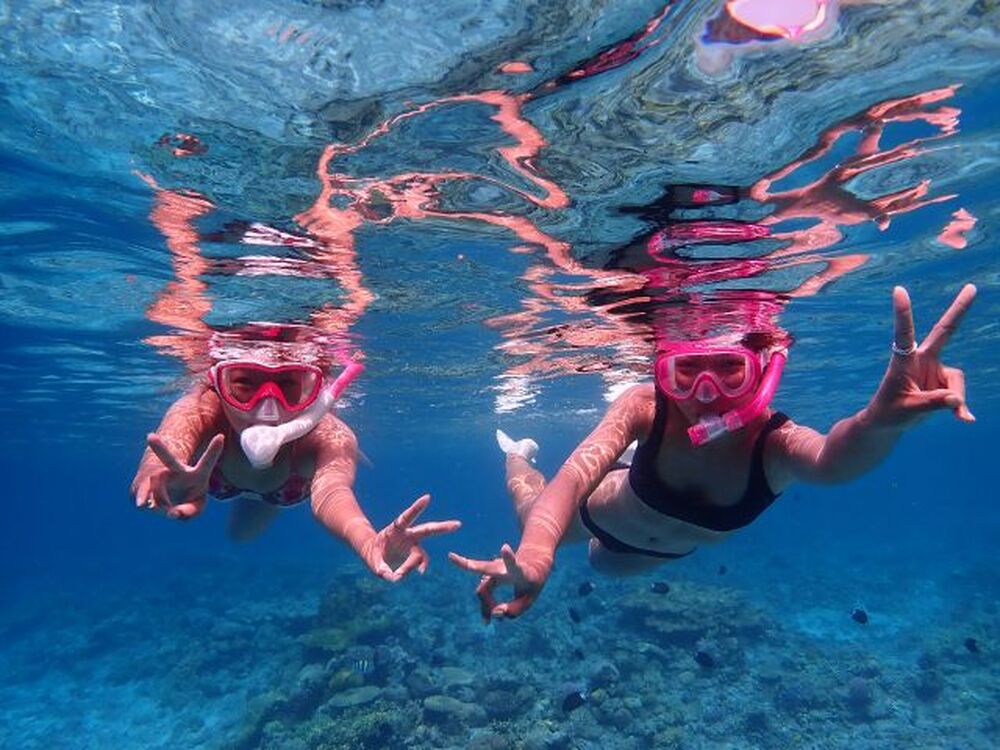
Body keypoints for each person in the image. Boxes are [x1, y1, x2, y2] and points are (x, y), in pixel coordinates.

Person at [449, 284, 976, 620]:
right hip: (601, 516)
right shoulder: (646, 406)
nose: (706, 394)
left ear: (762, 370)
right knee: (533, 509)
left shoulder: (773, 442)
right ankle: (517, 453)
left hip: (647, 556)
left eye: (729, 369)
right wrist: (538, 554)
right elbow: (569, 482)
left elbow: (835, 460)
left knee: (604, 566)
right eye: (686, 371)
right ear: (663, 371)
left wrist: (878, 423)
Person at [130, 325, 460, 582]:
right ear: (218, 384)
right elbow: (166, 446)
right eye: (244, 384)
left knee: (242, 535)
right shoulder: (202, 409)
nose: (267, 409)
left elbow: (333, 493)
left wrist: (367, 542)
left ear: (316, 394)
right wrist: (155, 478)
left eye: (289, 385)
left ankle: (263, 499)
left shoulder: (329, 436)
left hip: (281, 491)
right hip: (261, 483)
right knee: (239, 535)